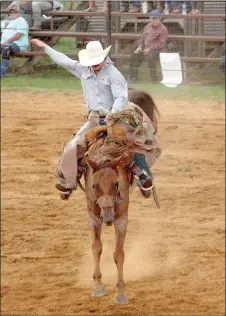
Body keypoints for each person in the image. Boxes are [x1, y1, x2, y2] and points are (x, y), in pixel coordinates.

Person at [128, 9, 168, 83]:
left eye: (156, 18)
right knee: (134, 55)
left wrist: (150, 49)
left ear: (159, 19)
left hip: (158, 50)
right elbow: (142, 39)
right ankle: (133, 77)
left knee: (150, 56)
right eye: (153, 18)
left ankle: (154, 79)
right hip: (145, 49)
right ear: (150, 19)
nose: (154, 20)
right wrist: (140, 47)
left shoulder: (163, 29)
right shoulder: (147, 26)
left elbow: (161, 43)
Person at [0, 3, 29, 77]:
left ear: (19, 12)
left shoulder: (21, 21)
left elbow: (18, 35)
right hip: (7, 43)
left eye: (15, 11)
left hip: (18, 44)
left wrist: (7, 42)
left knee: (6, 50)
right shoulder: (12, 21)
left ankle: (1, 72)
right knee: (5, 48)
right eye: (11, 12)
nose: (13, 13)